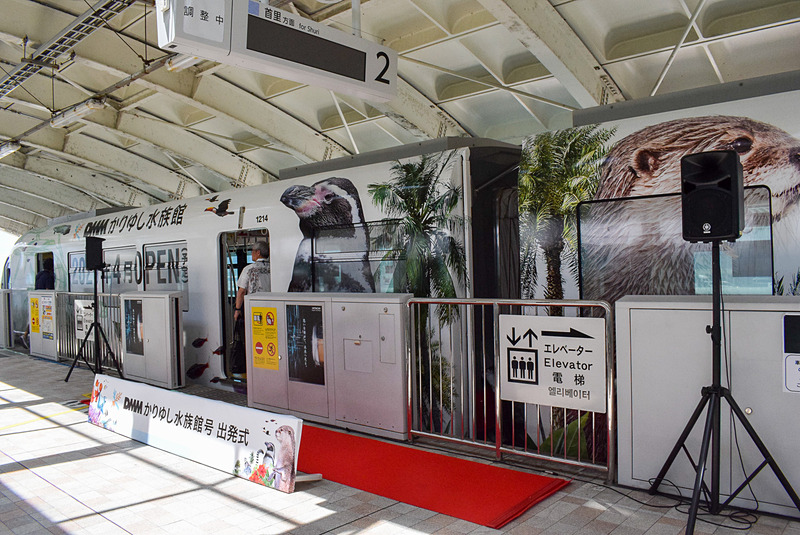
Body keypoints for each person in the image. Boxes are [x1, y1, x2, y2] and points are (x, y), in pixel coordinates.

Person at [231, 241, 271, 379]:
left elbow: (241, 291)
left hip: (255, 312)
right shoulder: (274, 268)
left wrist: (237, 309)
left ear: (258, 253)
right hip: (272, 311)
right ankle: (267, 371)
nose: (251, 253)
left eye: (252, 250)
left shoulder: (249, 269)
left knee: (254, 341)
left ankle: (254, 372)